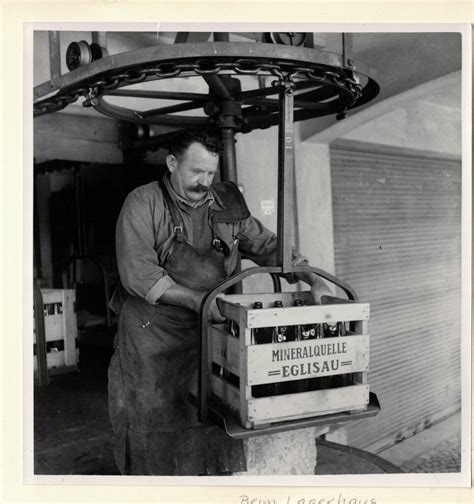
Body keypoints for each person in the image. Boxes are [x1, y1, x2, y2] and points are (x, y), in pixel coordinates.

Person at [107, 130, 330, 475]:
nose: (204, 181)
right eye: (196, 172)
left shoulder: (226, 204)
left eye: (210, 173)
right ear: (171, 163)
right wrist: (197, 300)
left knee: (214, 416)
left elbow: (269, 244)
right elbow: (138, 274)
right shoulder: (143, 203)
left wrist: (311, 277)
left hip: (210, 332)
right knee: (154, 420)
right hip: (153, 337)